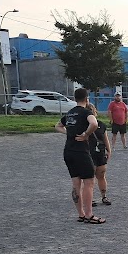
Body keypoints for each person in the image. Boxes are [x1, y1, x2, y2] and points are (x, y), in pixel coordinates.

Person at [54, 87, 105, 224]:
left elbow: (57, 126)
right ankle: (89, 215)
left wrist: (69, 133)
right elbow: (94, 123)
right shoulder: (86, 112)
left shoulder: (70, 113)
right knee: (89, 182)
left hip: (68, 151)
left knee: (76, 183)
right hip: (81, 152)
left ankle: (81, 214)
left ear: (75, 98)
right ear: (86, 99)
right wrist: (86, 134)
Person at [85, 102, 112, 206]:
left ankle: (104, 196)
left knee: (101, 175)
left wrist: (108, 150)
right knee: (89, 177)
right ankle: (89, 198)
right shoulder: (83, 125)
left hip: (100, 152)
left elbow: (105, 138)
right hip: (88, 153)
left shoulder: (101, 125)